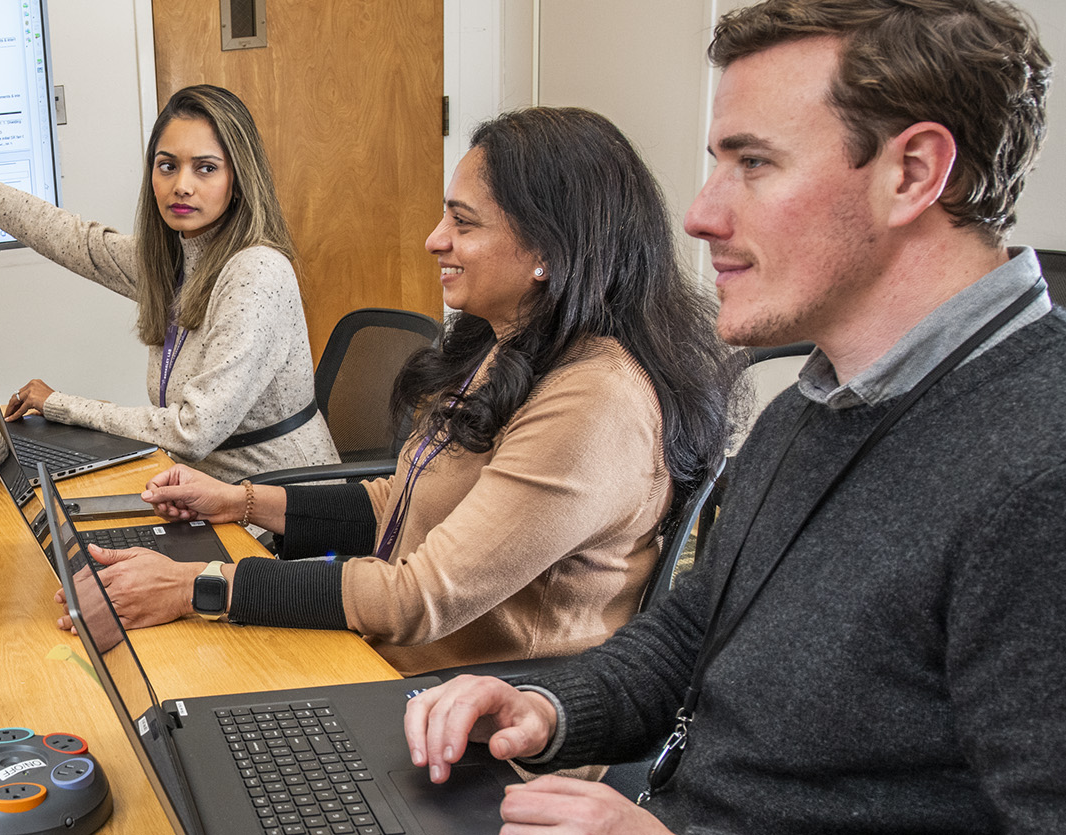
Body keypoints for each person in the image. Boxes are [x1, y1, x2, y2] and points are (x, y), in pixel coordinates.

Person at [405, 1, 1062, 832]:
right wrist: (544, 704)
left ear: (914, 171)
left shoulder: (1041, 470)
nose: (699, 215)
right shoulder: (812, 405)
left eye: (752, 162)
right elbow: (694, 633)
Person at [63, 107, 739, 676]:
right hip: (402, 668)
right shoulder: (509, 345)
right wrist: (238, 500)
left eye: (463, 223)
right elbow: (404, 499)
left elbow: (419, 595)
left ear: (548, 251)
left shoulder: (594, 402)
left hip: (484, 730)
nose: (433, 239)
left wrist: (193, 586)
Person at [0, 86, 336, 480]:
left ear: (239, 178)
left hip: (280, 514)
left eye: (206, 168)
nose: (182, 185)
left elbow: (192, 433)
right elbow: (65, 236)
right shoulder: (172, 259)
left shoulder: (257, 271)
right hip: (198, 491)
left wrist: (63, 405)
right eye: (167, 165)